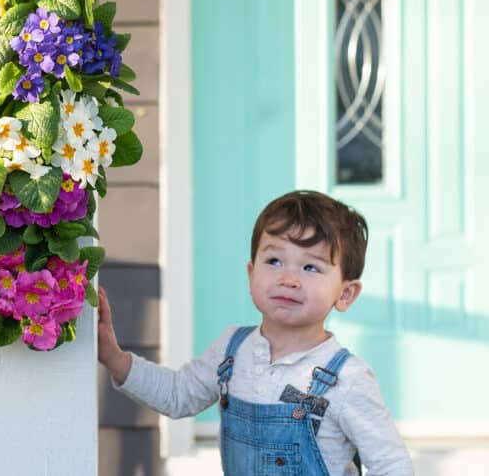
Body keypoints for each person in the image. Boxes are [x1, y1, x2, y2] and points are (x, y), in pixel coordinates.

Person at [97, 190, 414, 475]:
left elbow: (392, 465)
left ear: (345, 294)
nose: (288, 278)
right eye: (274, 260)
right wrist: (114, 356)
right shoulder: (232, 351)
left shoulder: (348, 379)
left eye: (310, 267)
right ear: (252, 274)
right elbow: (177, 395)